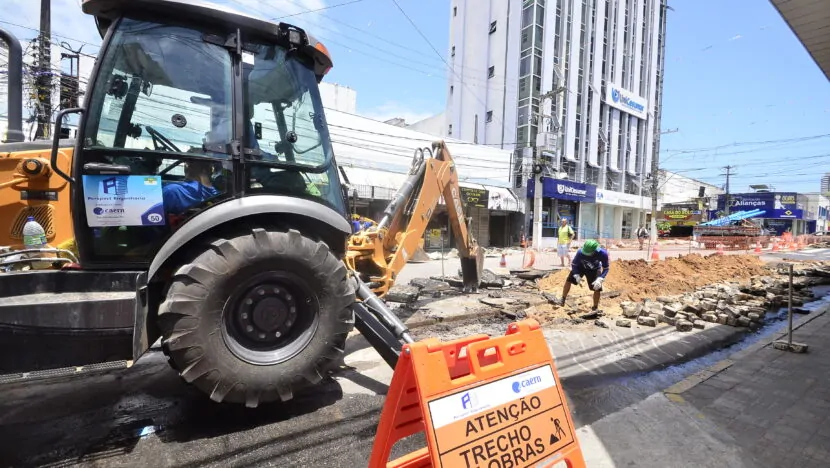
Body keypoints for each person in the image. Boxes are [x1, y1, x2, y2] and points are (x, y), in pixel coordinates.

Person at [560, 239, 610, 313]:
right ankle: (562, 299)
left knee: (597, 287)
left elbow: (606, 268)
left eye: (588, 253)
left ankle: (595, 307)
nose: (586, 254)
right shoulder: (580, 252)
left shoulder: (603, 254)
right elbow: (574, 265)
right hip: (581, 266)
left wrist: (600, 278)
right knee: (569, 280)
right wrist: (576, 275)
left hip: (594, 269)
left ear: (594, 250)